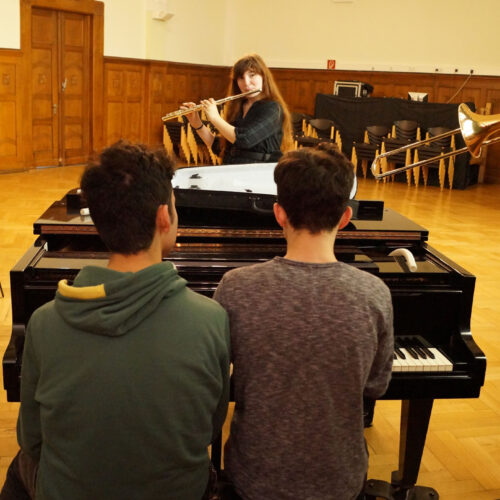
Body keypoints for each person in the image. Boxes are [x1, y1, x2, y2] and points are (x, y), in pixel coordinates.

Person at [3, 141, 230, 500]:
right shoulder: (210, 319)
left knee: (22, 465)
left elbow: (32, 437)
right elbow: (208, 428)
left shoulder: (45, 323)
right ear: (163, 217)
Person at [214, 143, 394, 500]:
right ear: (345, 216)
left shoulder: (235, 286)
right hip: (340, 481)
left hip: (254, 477)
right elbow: (376, 386)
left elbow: (219, 383)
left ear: (279, 213)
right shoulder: (375, 293)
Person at [181, 53, 293, 165]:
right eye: (241, 78)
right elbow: (220, 148)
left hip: (258, 174)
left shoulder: (273, 109)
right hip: (232, 170)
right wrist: (197, 124)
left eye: (252, 75)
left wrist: (215, 118)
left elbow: (245, 140)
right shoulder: (238, 108)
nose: (246, 83)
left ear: (263, 77)